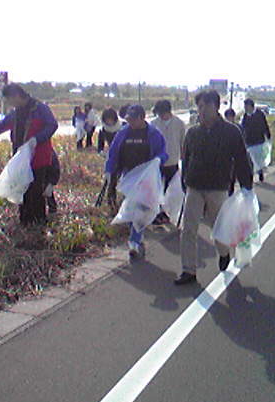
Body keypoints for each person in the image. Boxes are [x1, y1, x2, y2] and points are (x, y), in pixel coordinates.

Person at [175, 90, 253, 285]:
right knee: (188, 229)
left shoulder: (231, 132)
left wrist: (246, 185)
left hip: (218, 187)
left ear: (216, 107)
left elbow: (241, 159)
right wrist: (184, 181)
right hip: (194, 186)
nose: (202, 110)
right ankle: (188, 270)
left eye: (206, 106)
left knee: (218, 228)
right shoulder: (193, 133)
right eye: (199, 106)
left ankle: (224, 252)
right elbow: (186, 159)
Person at [0, 83, 58, 226]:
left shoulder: (40, 109)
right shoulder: (16, 114)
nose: (9, 104)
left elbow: (52, 125)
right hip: (20, 159)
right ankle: (25, 222)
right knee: (21, 189)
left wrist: (36, 139)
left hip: (39, 158)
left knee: (35, 191)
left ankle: (38, 223)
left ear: (16, 96)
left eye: (9, 100)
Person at [104, 104, 167, 258]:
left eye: (133, 119)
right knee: (131, 208)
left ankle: (135, 241)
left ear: (142, 118)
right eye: (128, 119)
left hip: (146, 178)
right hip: (128, 176)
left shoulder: (153, 134)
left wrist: (159, 160)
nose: (130, 122)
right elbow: (113, 153)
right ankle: (136, 238)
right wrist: (109, 171)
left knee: (141, 208)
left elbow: (163, 153)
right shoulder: (123, 133)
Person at [151, 100, 187, 223]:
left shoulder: (179, 124)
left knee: (171, 191)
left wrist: (184, 160)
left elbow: (183, 143)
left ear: (168, 111)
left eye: (162, 113)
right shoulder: (154, 124)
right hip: (157, 163)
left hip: (173, 162)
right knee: (157, 190)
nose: (160, 116)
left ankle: (167, 213)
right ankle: (157, 212)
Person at [241, 98, 271, 182]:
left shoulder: (260, 114)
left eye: (246, 106)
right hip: (249, 142)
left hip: (259, 140)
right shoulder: (245, 116)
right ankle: (250, 176)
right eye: (244, 106)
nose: (245, 108)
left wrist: (268, 135)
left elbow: (265, 125)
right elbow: (243, 128)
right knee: (250, 160)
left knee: (258, 159)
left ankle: (260, 172)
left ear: (251, 106)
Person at [45, 150, 61, 214]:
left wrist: (51, 183)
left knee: (48, 193)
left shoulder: (49, 152)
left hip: (47, 177)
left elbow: (55, 169)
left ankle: (52, 210)